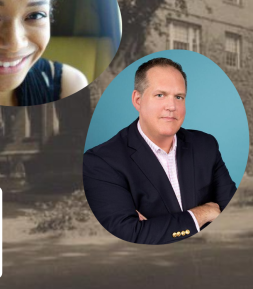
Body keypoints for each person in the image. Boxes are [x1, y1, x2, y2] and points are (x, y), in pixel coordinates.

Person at [82, 58, 237, 244]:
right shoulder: (102, 161)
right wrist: (204, 213)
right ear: (138, 100)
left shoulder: (205, 146)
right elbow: (130, 235)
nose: (171, 107)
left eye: (179, 97)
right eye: (160, 95)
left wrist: (156, 227)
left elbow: (232, 214)